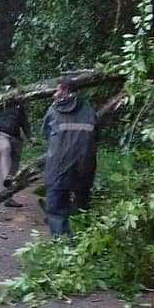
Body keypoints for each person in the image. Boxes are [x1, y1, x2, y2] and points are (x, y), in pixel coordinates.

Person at [41, 77, 100, 236]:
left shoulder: (54, 110)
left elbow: (46, 133)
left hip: (58, 167)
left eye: (57, 90)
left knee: (55, 207)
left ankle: (62, 244)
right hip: (84, 167)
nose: (55, 93)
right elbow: (97, 135)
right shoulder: (89, 109)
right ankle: (83, 240)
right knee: (82, 205)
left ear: (65, 91)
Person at [0, 76, 36, 207]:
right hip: (1, 135)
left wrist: (30, 136)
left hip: (17, 138)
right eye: (6, 87)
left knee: (14, 170)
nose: (8, 89)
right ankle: (6, 179)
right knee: (5, 149)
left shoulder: (18, 104)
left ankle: (8, 197)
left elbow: (24, 122)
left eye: (10, 87)